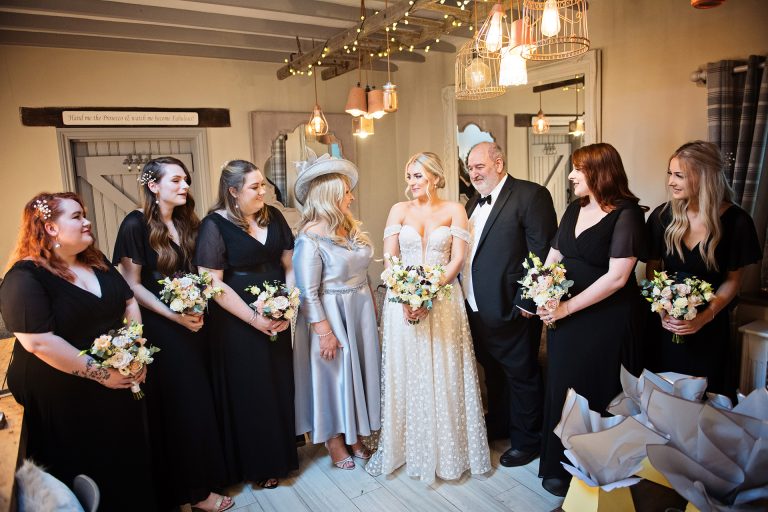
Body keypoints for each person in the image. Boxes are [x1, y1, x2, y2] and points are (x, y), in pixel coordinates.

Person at [0, 192, 156, 512]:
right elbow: (39, 342)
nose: (87, 221)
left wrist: (135, 351)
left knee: (127, 459)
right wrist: (102, 374)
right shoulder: (24, 278)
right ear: (50, 227)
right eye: (76, 216)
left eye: (84, 214)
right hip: (63, 392)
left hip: (118, 382)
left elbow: (128, 302)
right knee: (90, 465)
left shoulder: (96, 262)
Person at [113, 158, 231, 512]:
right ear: (153, 186)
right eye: (176, 180)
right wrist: (175, 318)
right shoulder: (134, 224)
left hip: (196, 325)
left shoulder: (186, 221)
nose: (185, 187)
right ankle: (194, 493)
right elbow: (130, 285)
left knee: (201, 404)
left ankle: (203, 480)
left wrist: (195, 311)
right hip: (163, 329)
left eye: (186, 180)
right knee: (183, 409)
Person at [366, 152, 491, 483]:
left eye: (418, 176)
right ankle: (407, 450)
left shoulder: (455, 210)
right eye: (409, 177)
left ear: (435, 177)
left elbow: (458, 260)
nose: (412, 183)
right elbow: (390, 257)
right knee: (408, 371)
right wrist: (408, 296)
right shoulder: (399, 210)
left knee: (445, 371)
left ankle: (448, 453)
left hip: (444, 302)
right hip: (401, 302)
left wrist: (428, 295)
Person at [535, 143, 647, 497]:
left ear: (600, 173)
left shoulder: (628, 214)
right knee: (563, 385)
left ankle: (597, 466)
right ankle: (558, 462)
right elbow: (553, 256)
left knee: (596, 387)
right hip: (564, 319)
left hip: (606, 318)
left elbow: (617, 277)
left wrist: (567, 307)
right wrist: (543, 295)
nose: (571, 176)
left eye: (577, 169)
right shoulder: (573, 207)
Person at [195, 160, 298, 489]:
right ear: (233, 192)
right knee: (249, 391)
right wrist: (255, 318)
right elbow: (211, 282)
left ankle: (280, 457)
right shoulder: (214, 225)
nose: (263, 191)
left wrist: (288, 308)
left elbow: (289, 265)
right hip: (236, 324)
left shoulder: (275, 217)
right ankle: (256, 464)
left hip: (277, 318)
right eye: (255, 187)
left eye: (263, 185)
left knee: (277, 385)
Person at [463, 142, 557, 469]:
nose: (473, 173)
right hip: (475, 305)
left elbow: (542, 252)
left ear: (499, 163)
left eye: (479, 166)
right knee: (494, 372)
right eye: (470, 167)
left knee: (522, 375)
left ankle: (528, 440)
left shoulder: (532, 195)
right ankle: (501, 425)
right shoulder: (473, 201)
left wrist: (529, 299)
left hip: (512, 305)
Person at [645, 140, 761, 397]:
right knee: (663, 401)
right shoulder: (662, 217)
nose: (670, 182)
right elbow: (653, 269)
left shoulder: (737, 222)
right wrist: (662, 309)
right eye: (670, 174)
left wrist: (703, 318)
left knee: (705, 405)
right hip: (664, 328)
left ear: (704, 177)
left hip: (709, 331)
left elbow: (733, 281)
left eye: (679, 175)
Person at [292, 154, 381, 471]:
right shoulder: (309, 239)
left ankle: (355, 434)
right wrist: (325, 332)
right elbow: (307, 293)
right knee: (334, 376)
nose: (352, 196)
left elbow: (364, 272)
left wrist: (369, 303)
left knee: (356, 372)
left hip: (358, 310)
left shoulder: (347, 228)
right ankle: (333, 439)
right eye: (346, 192)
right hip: (329, 313)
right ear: (329, 195)